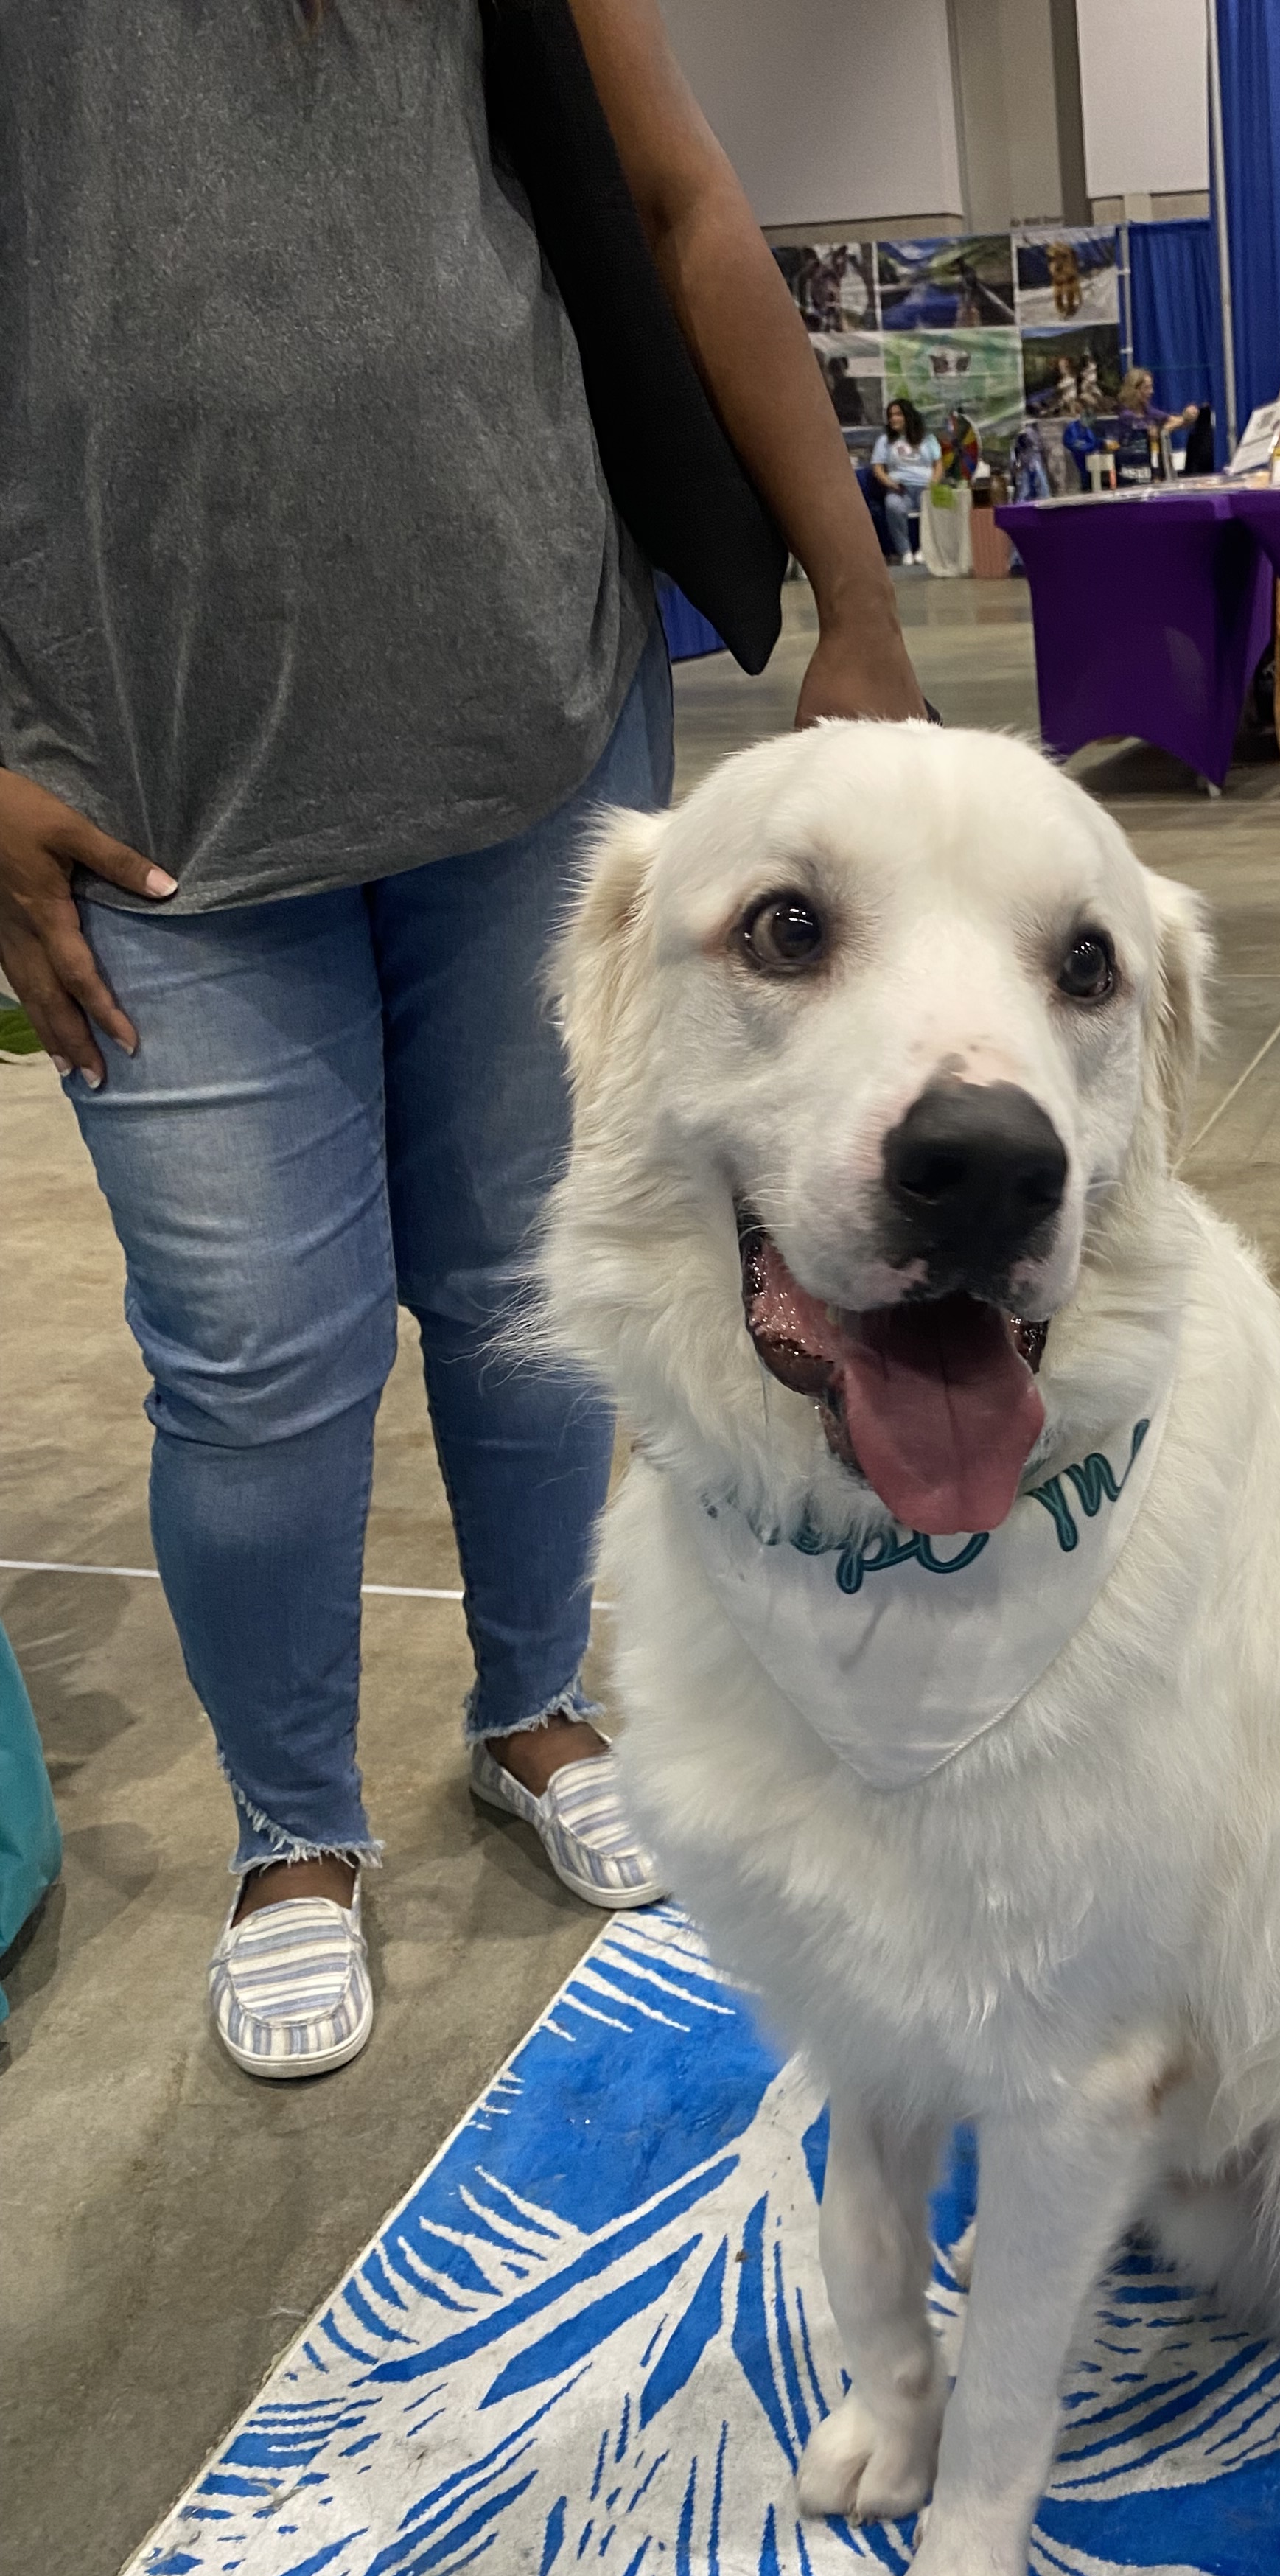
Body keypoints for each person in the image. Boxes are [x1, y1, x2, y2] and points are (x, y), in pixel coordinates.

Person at [0, 0, 923, 2081]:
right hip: (142, 787)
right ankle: (294, 1840)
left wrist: (859, 597)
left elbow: (681, 201)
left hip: (526, 729)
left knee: (527, 1288)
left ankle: (535, 1707)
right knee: (252, 1358)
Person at [870, 397, 937, 562]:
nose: (894, 419)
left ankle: (925, 549)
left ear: (908, 416)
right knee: (893, 506)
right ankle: (905, 551)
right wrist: (890, 483)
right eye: (891, 415)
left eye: (898, 414)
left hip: (925, 487)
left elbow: (939, 464)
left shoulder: (927, 438)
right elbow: (878, 468)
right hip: (900, 489)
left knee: (934, 505)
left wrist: (933, 484)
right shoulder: (885, 440)